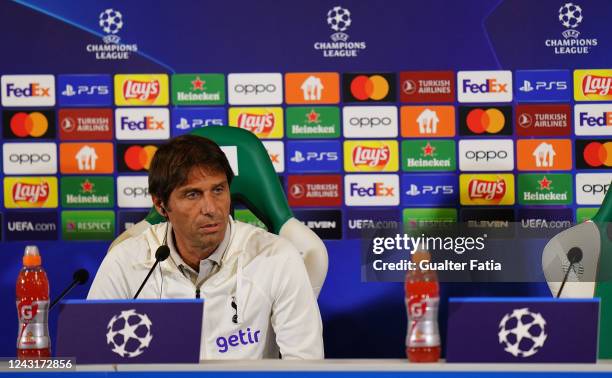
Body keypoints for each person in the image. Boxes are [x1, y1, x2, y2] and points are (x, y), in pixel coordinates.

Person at [88, 135, 324, 359]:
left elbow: (306, 364)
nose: (211, 208)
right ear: (161, 205)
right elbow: (91, 356)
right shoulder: (126, 260)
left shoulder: (276, 257)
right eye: (193, 195)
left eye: (218, 190)